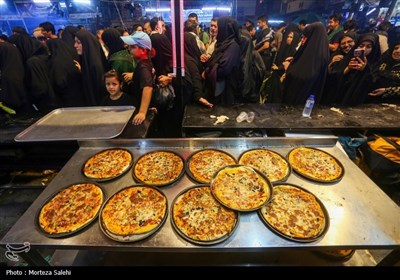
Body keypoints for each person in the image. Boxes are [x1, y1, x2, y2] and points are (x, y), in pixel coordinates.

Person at [121, 31, 153, 126]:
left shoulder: (143, 67)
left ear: (143, 50)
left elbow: (148, 87)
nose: (129, 49)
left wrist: (142, 112)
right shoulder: (145, 63)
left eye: (133, 47)